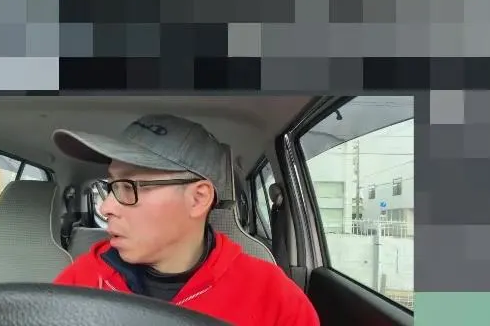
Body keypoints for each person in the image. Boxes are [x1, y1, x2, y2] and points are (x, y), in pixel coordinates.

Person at [52, 114, 319, 326]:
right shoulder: (82, 281)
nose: (106, 207)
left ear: (198, 199)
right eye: (110, 186)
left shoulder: (275, 300)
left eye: (128, 186)